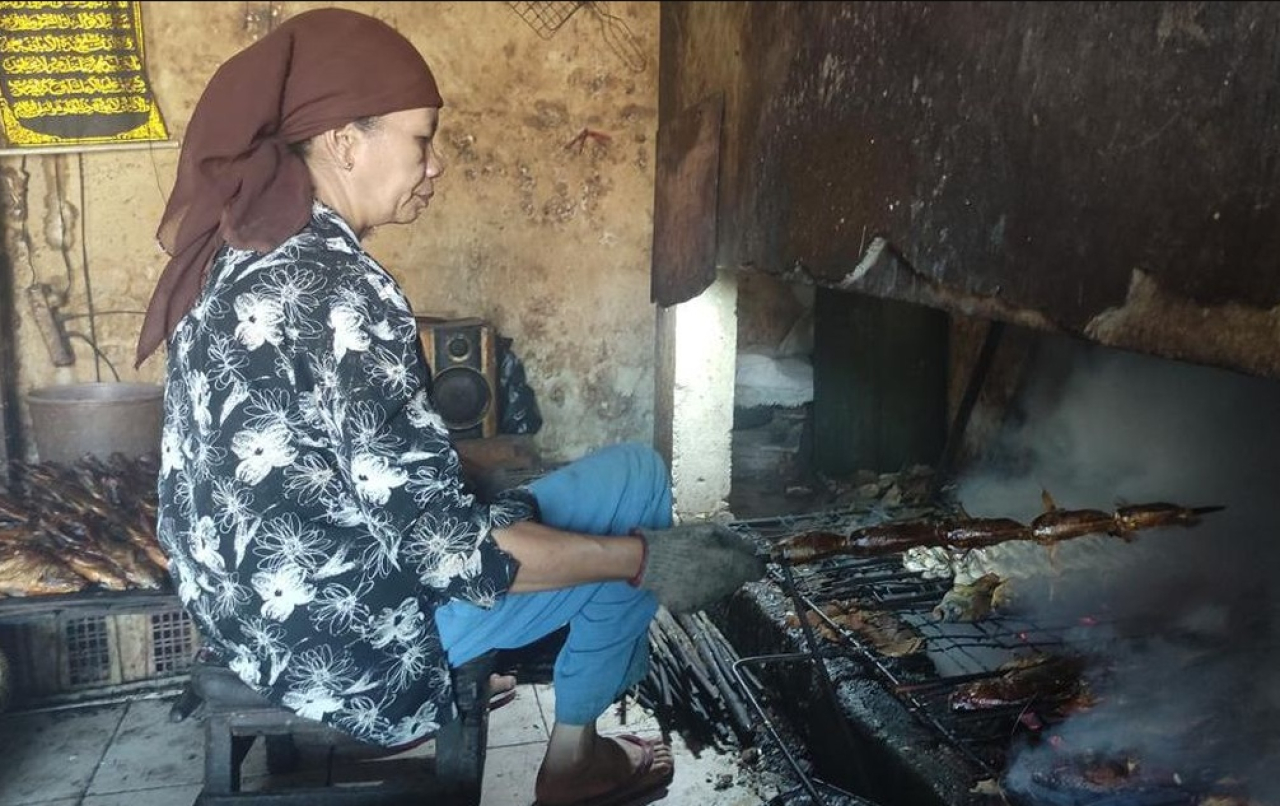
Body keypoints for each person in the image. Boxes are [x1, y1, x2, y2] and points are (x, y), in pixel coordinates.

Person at [134, 8, 765, 806]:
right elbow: (445, 553)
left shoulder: (238, 255)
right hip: (350, 646)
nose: (434, 166)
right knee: (633, 513)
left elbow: (325, 453)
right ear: (343, 141)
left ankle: (544, 686)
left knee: (620, 489)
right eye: (422, 139)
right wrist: (644, 558)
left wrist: (470, 473)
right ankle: (574, 763)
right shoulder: (346, 293)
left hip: (244, 607)